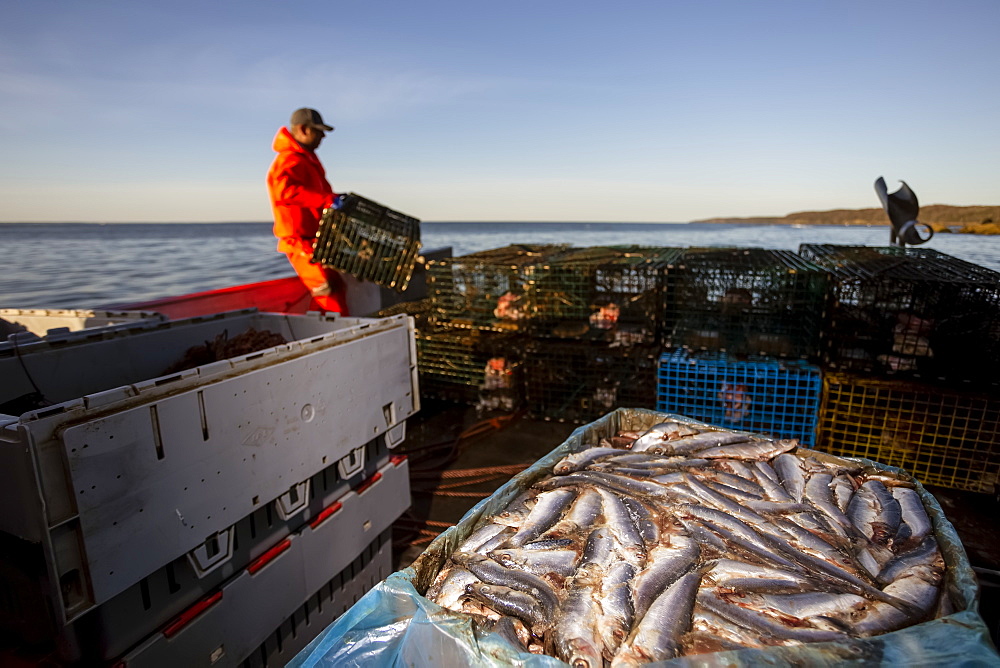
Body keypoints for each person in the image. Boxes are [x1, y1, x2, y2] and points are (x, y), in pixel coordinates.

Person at [266, 107, 349, 314]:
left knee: (335, 285)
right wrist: (328, 199)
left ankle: (325, 333)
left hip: (316, 241)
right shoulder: (289, 159)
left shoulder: (305, 158)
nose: (322, 136)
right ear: (303, 129)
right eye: (318, 131)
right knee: (327, 292)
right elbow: (284, 192)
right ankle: (337, 339)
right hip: (300, 243)